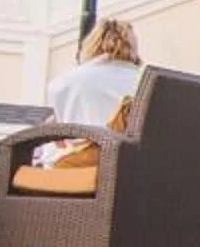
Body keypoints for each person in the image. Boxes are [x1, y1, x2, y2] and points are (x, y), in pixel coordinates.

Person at [39, 18, 142, 166]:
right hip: (135, 167)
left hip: (82, 168)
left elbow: (61, 141)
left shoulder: (65, 82)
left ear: (90, 44)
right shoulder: (145, 82)